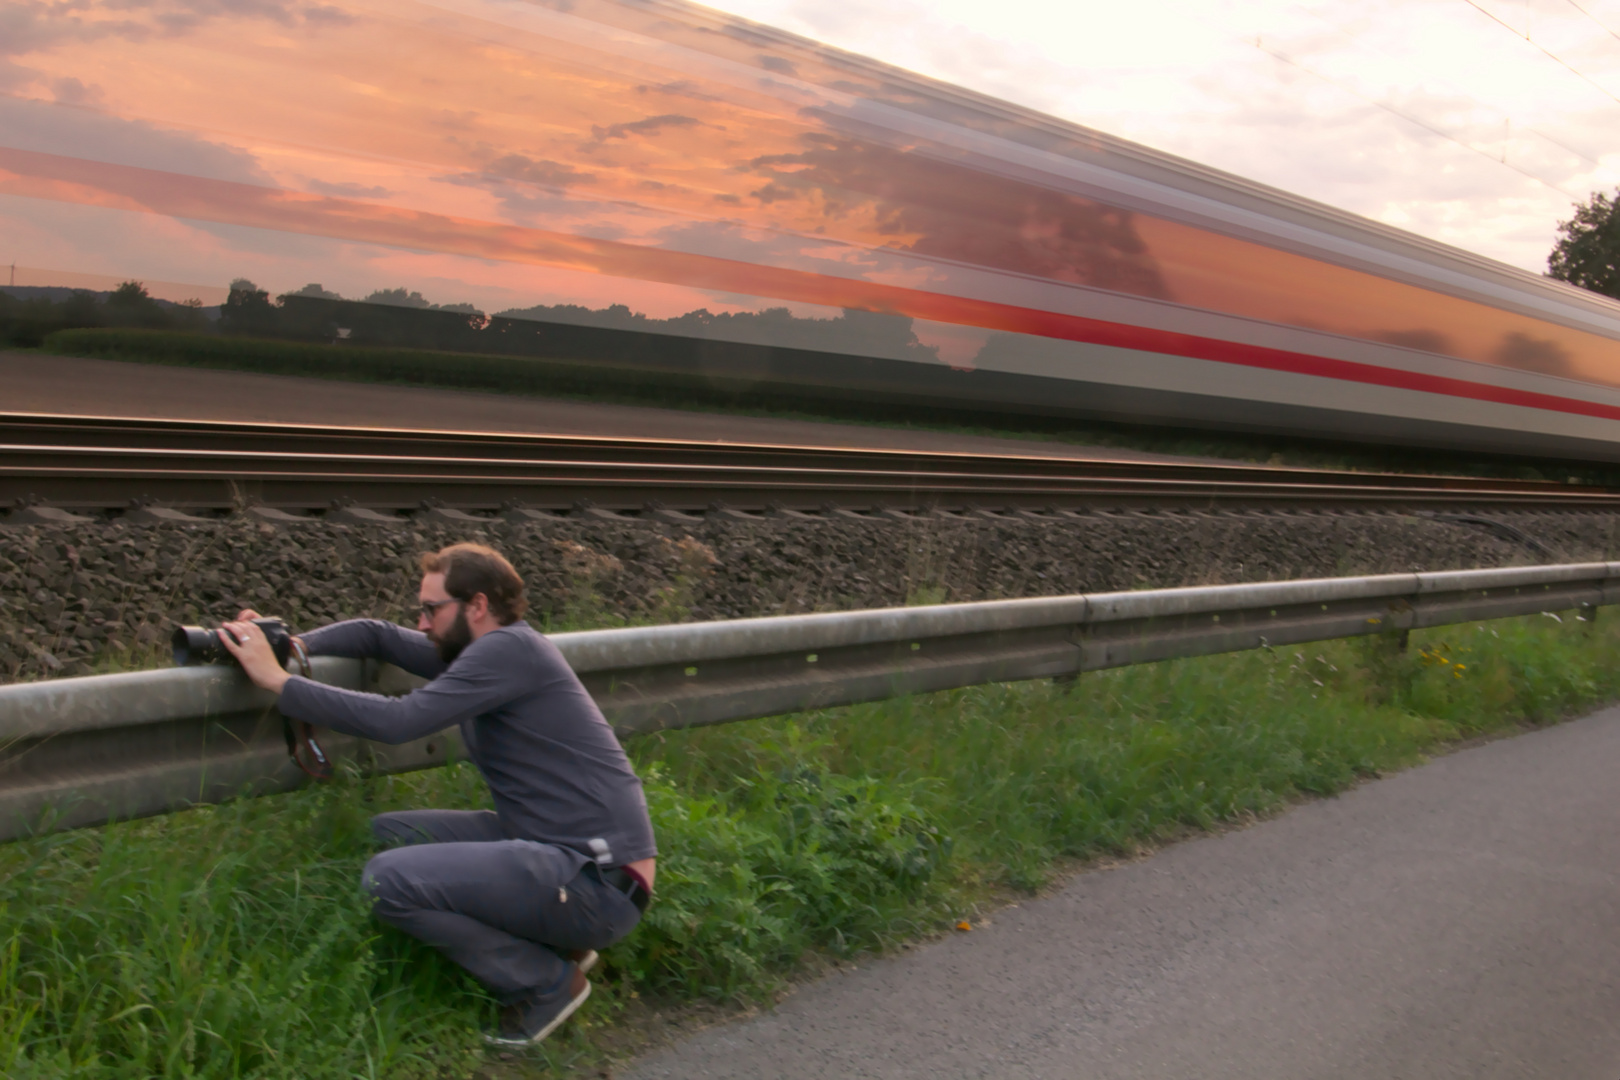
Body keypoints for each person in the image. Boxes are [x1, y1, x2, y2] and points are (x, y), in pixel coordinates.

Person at [219, 541, 656, 1046]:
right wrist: (289, 645)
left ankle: (545, 981)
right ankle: (554, 942)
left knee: (387, 880)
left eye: (431, 609)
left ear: (477, 606)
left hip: (600, 880)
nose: (422, 623)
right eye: (420, 610)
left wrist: (275, 679)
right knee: (383, 836)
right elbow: (375, 635)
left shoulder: (507, 650)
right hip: (557, 851)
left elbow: (399, 720)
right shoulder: (485, 650)